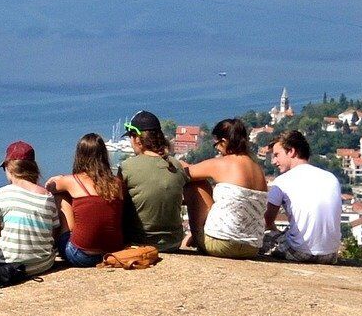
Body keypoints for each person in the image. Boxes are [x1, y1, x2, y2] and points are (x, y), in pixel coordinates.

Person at [184, 118, 268, 258]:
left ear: (224, 141)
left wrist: (177, 163)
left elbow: (186, 173)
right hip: (251, 248)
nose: (216, 148)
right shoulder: (258, 169)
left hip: (221, 245)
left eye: (216, 143)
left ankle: (198, 237)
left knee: (197, 184)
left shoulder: (222, 163)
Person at [46, 133, 127, 267]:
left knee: (61, 197)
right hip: (113, 252)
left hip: (81, 255)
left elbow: (49, 187)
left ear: (80, 155)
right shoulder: (116, 182)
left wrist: (60, 177)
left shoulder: (72, 181)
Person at [265, 129, 343, 263]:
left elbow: (267, 221)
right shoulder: (331, 177)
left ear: (291, 151)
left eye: (277, 155)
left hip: (299, 252)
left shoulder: (282, 181)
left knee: (263, 237)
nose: (274, 161)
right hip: (330, 255)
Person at [0, 140, 58, 281]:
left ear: (9, 167)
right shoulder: (47, 196)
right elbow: (52, 234)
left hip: (10, 265)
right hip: (43, 264)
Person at [118, 111, 186, 253]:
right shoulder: (176, 165)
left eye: (131, 136)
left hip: (140, 242)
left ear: (137, 139)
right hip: (174, 242)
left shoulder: (127, 167)